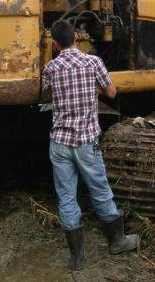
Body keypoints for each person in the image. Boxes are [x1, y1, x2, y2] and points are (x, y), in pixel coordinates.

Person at [42, 19, 140, 270]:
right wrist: (92, 89)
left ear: (54, 43)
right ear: (77, 37)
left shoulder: (51, 68)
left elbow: (46, 94)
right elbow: (112, 93)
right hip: (86, 141)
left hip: (60, 142)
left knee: (66, 197)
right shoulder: (92, 62)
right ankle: (117, 241)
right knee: (99, 189)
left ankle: (77, 258)